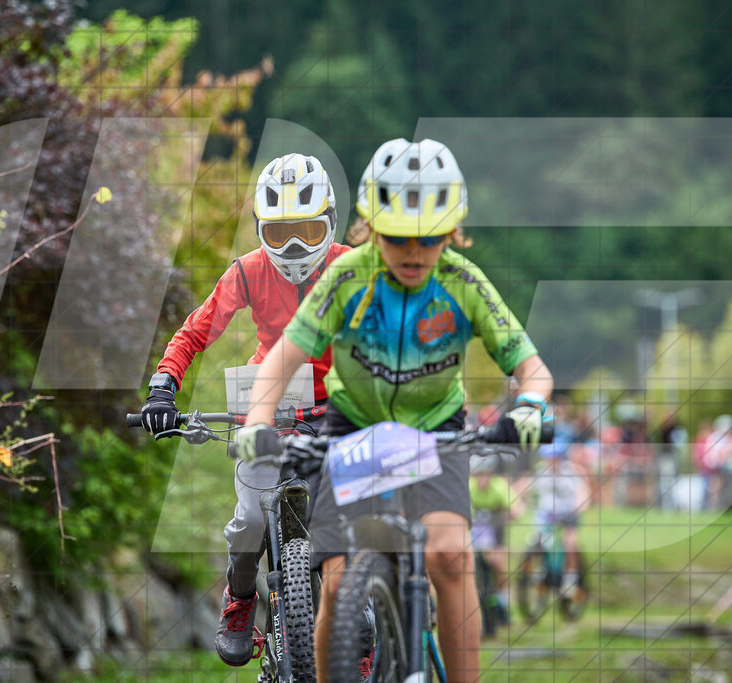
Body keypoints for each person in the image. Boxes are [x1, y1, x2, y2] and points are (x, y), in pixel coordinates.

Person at [234, 138, 553, 682]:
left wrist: (529, 407)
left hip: (435, 432)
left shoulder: (463, 281)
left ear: (451, 232)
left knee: (450, 556)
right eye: (399, 238)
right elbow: (280, 360)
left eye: (429, 239)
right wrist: (259, 420)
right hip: (354, 428)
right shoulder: (345, 279)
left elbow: (532, 369)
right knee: (336, 578)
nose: (414, 252)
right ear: (370, 230)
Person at [138, 152, 351, 667]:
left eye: (305, 229)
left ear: (330, 223)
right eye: (280, 234)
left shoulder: (351, 266)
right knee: (252, 515)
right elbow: (194, 332)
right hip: (268, 399)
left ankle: (355, 619)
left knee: (349, 512)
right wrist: (163, 387)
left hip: (341, 402)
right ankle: (240, 599)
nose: (295, 246)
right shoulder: (249, 272)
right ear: (260, 233)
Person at [470, 456, 524, 635]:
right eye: (479, 475)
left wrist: (512, 513)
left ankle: (503, 602)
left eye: (486, 475)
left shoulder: (499, 486)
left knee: (498, 563)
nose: (482, 480)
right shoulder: (468, 486)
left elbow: (518, 507)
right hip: (476, 529)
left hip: (495, 529)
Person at [527, 439, 590, 594]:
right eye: (548, 459)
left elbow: (583, 492)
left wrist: (580, 504)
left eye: (554, 459)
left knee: (570, 543)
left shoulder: (572, 472)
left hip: (568, 513)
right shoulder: (541, 470)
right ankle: (540, 570)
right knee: (536, 540)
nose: (551, 462)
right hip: (547, 514)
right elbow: (527, 486)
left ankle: (570, 578)